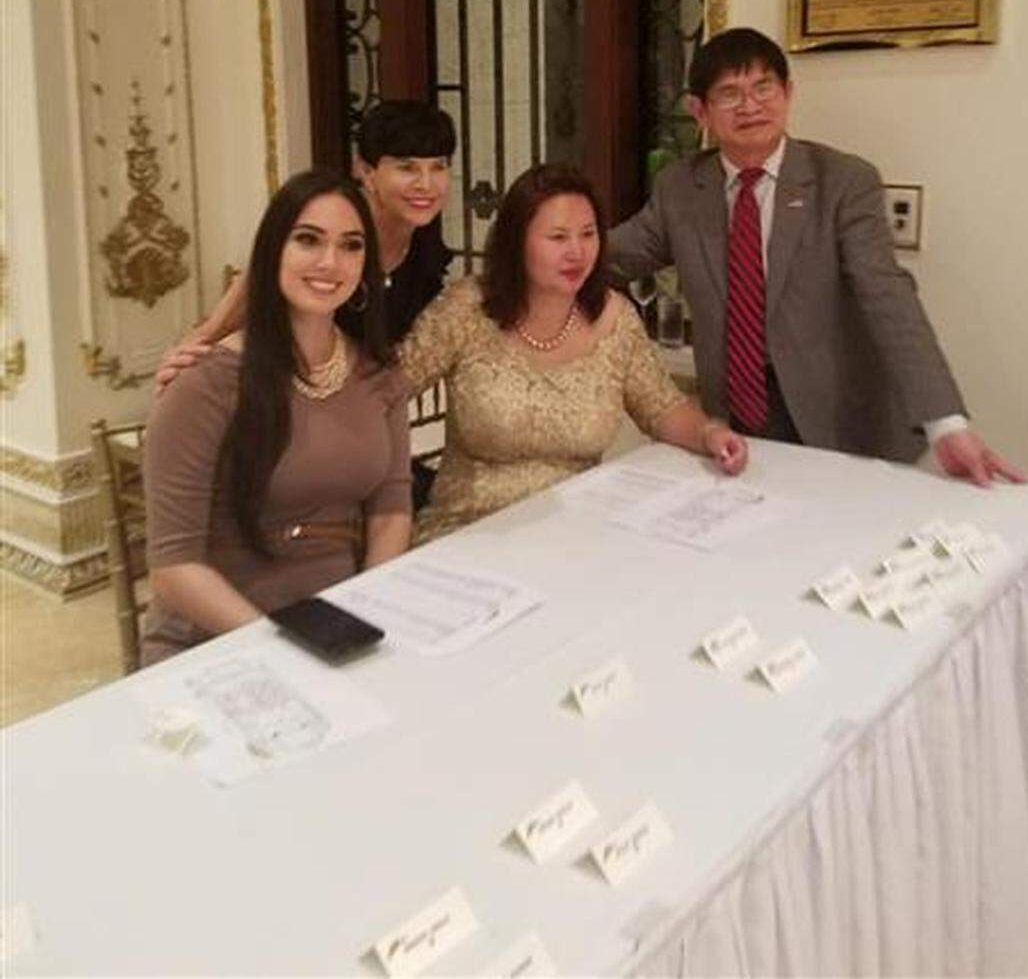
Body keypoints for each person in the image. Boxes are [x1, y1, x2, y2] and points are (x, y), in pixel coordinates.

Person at [608, 27, 1022, 486]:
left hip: (839, 418)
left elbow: (887, 295)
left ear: (788, 93)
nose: (750, 106)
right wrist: (533, 251)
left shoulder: (844, 182)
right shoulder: (681, 188)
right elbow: (612, 257)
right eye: (729, 93)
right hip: (738, 420)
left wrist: (946, 424)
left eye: (763, 87)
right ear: (699, 110)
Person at [141, 170, 412, 663]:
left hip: (338, 623)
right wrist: (282, 646)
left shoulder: (379, 375)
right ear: (272, 254)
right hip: (219, 637)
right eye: (308, 240)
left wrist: (369, 607)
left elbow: (391, 508)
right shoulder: (206, 383)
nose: (331, 262)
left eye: (351, 246)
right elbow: (174, 568)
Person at [401, 163, 747, 543]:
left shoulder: (615, 317)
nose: (577, 252)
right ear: (517, 242)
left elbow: (661, 406)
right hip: (469, 529)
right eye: (558, 237)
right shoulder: (466, 307)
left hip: (575, 530)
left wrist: (710, 433)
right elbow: (386, 390)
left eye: (588, 234)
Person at [157, 100, 456, 510]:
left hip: (346, 406)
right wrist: (201, 342)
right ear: (366, 171)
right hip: (283, 400)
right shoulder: (336, 225)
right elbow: (258, 280)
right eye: (407, 167)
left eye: (438, 166)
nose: (427, 183)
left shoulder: (425, 246)